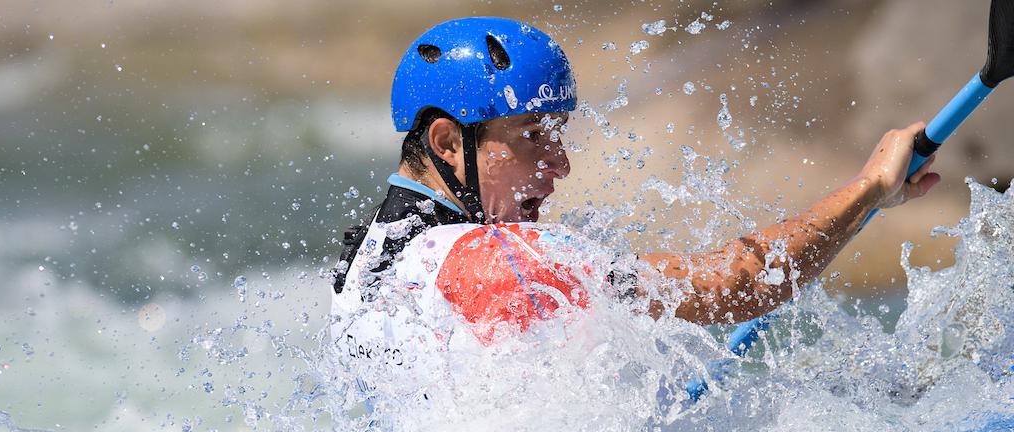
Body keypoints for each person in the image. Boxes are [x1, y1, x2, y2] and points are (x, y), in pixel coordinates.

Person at [329, 16, 940, 391]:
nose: (560, 165)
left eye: (559, 135)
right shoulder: (498, 260)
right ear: (447, 144)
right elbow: (744, 281)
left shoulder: (362, 269)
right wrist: (867, 191)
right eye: (532, 137)